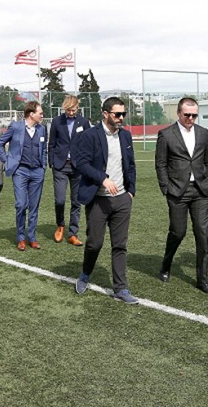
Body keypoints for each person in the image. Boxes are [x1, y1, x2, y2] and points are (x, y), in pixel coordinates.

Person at [74, 97, 138, 304]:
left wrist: (131, 192)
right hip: (98, 200)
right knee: (95, 243)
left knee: (120, 245)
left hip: (122, 200)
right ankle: (85, 274)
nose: (121, 118)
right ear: (105, 114)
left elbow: (131, 165)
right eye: (117, 114)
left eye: (123, 114)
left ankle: (120, 288)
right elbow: (81, 163)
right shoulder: (90, 135)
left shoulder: (125, 136)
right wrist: (102, 179)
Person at [155, 98, 208, 294]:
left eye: (194, 115)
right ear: (178, 113)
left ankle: (202, 279)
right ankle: (166, 265)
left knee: (202, 233)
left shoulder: (203, 133)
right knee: (178, 232)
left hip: (201, 191)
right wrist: (166, 188)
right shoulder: (166, 134)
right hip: (177, 192)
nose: (190, 118)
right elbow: (161, 164)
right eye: (187, 115)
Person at [0, 101, 47, 251]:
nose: (42, 116)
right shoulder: (16, 127)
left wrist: (43, 166)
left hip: (37, 172)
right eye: (40, 113)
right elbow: (0, 143)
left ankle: (31, 237)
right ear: (31, 114)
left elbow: (44, 149)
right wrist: (7, 160)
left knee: (34, 206)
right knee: (21, 204)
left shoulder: (42, 129)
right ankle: (20, 237)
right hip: (20, 171)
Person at [48, 95, 91, 246]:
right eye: (68, 110)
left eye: (73, 110)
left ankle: (73, 233)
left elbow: (89, 144)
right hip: (60, 166)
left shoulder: (84, 122)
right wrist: (51, 162)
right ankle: (60, 225)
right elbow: (52, 143)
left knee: (76, 202)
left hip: (78, 167)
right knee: (60, 200)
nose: (71, 113)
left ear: (77, 108)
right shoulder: (56, 121)